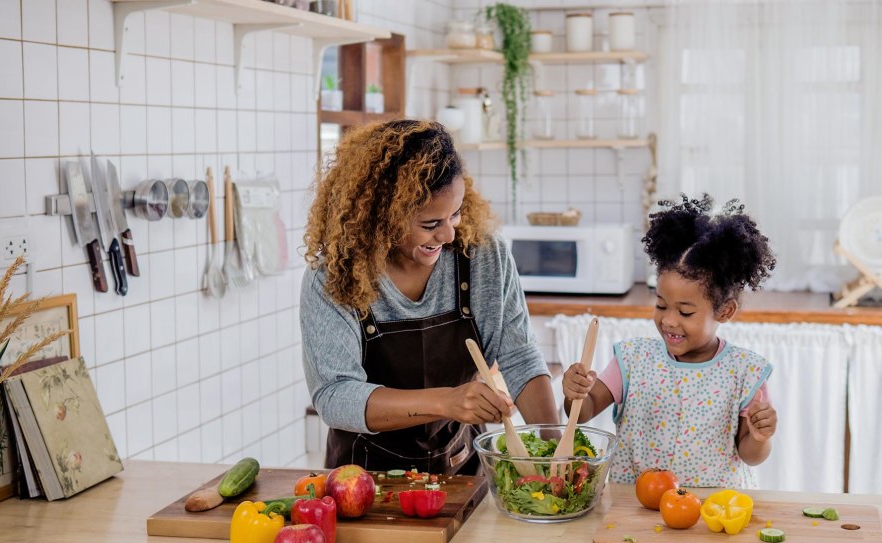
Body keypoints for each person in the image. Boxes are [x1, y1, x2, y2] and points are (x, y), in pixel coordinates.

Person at [300, 119, 558, 474]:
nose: (450, 234)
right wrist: (446, 401)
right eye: (430, 224)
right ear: (382, 216)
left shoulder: (482, 255)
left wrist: (557, 449)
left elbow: (519, 359)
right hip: (362, 478)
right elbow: (335, 396)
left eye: (455, 214)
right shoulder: (334, 276)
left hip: (461, 469)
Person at [561, 194, 779, 488]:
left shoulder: (745, 372)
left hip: (712, 513)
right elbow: (584, 410)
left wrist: (759, 437)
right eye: (661, 305)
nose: (669, 320)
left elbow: (750, 455)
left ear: (725, 311)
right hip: (636, 508)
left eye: (685, 311)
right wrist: (575, 392)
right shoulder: (633, 359)